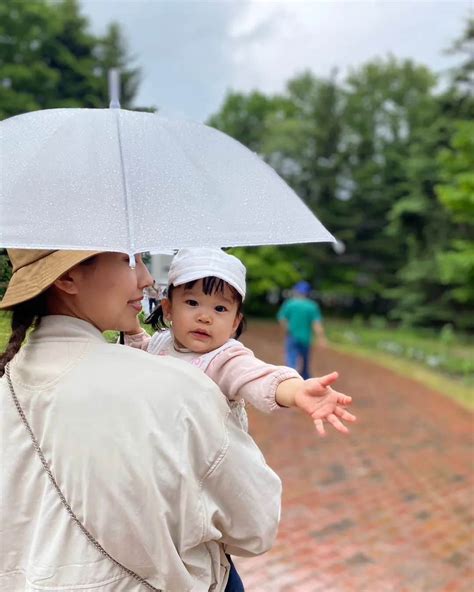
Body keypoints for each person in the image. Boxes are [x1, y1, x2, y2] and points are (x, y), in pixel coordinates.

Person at [0, 249, 283, 592]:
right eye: (128, 260)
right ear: (66, 277)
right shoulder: (178, 387)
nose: (148, 279)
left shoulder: (8, 384)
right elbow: (255, 526)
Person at [124, 248, 355, 437]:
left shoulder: (225, 359)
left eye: (220, 308)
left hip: (210, 471)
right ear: (168, 309)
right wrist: (131, 327)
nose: (205, 317)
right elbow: (140, 351)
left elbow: (258, 376)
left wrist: (296, 391)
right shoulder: (161, 343)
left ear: (235, 322)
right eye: (192, 302)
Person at [277, 281, 327, 380]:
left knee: (291, 360)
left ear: (296, 291)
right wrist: (321, 338)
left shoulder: (290, 303)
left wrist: (288, 329)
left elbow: (281, 318)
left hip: (292, 336)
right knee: (305, 362)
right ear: (307, 293)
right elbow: (316, 324)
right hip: (306, 338)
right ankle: (306, 380)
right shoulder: (312, 306)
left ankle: (290, 380)